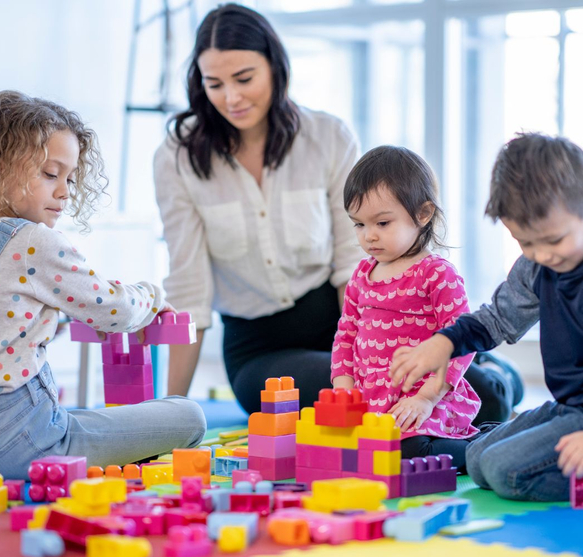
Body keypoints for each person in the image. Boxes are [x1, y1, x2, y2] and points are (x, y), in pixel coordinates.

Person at [155, 2, 521, 421]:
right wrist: (172, 413)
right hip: (262, 350)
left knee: (472, 395)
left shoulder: (326, 136)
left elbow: (356, 259)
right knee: (357, 407)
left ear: (276, 68)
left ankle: (491, 371)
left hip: (352, 322)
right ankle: (485, 372)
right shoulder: (177, 157)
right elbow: (189, 290)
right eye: (214, 84)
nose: (231, 97)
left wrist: (374, 358)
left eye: (244, 78)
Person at [0, 90, 206, 480]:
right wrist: (151, 297)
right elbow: (113, 308)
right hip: (18, 443)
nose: (65, 191)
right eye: (51, 174)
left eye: (70, 178)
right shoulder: (32, 240)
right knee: (189, 415)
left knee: (86, 416)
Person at [389, 132, 583, 501]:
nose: (541, 254)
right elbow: (496, 319)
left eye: (554, 240)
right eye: (526, 243)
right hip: (568, 407)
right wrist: (443, 343)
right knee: (477, 459)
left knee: (504, 472)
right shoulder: (536, 267)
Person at [331, 146, 480, 470]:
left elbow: (461, 343)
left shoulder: (437, 274)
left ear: (423, 214)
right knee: (345, 453)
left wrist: (426, 398)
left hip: (429, 400)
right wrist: (343, 390)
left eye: (382, 223)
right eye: (358, 225)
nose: (369, 236)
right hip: (376, 405)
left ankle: (484, 444)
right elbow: (346, 335)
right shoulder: (360, 276)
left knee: (411, 453)